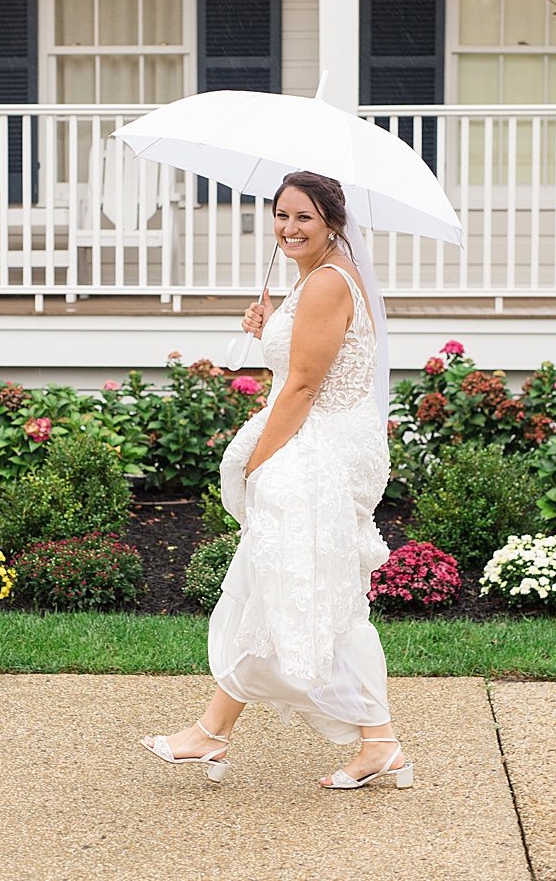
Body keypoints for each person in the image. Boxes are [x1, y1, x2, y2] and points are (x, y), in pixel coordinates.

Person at [140, 171, 409, 790]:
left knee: (303, 591)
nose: (289, 228)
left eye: (304, 218)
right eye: (281, 215)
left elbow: (305, 387)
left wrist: (260, 458)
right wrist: (274, 330)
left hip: (320, 449)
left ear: (333, 224)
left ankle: (223, 734)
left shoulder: (324, 285)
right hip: (323, 440)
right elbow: (310, 361)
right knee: (282, 584)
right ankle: (226, 732)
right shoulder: (317, 280)